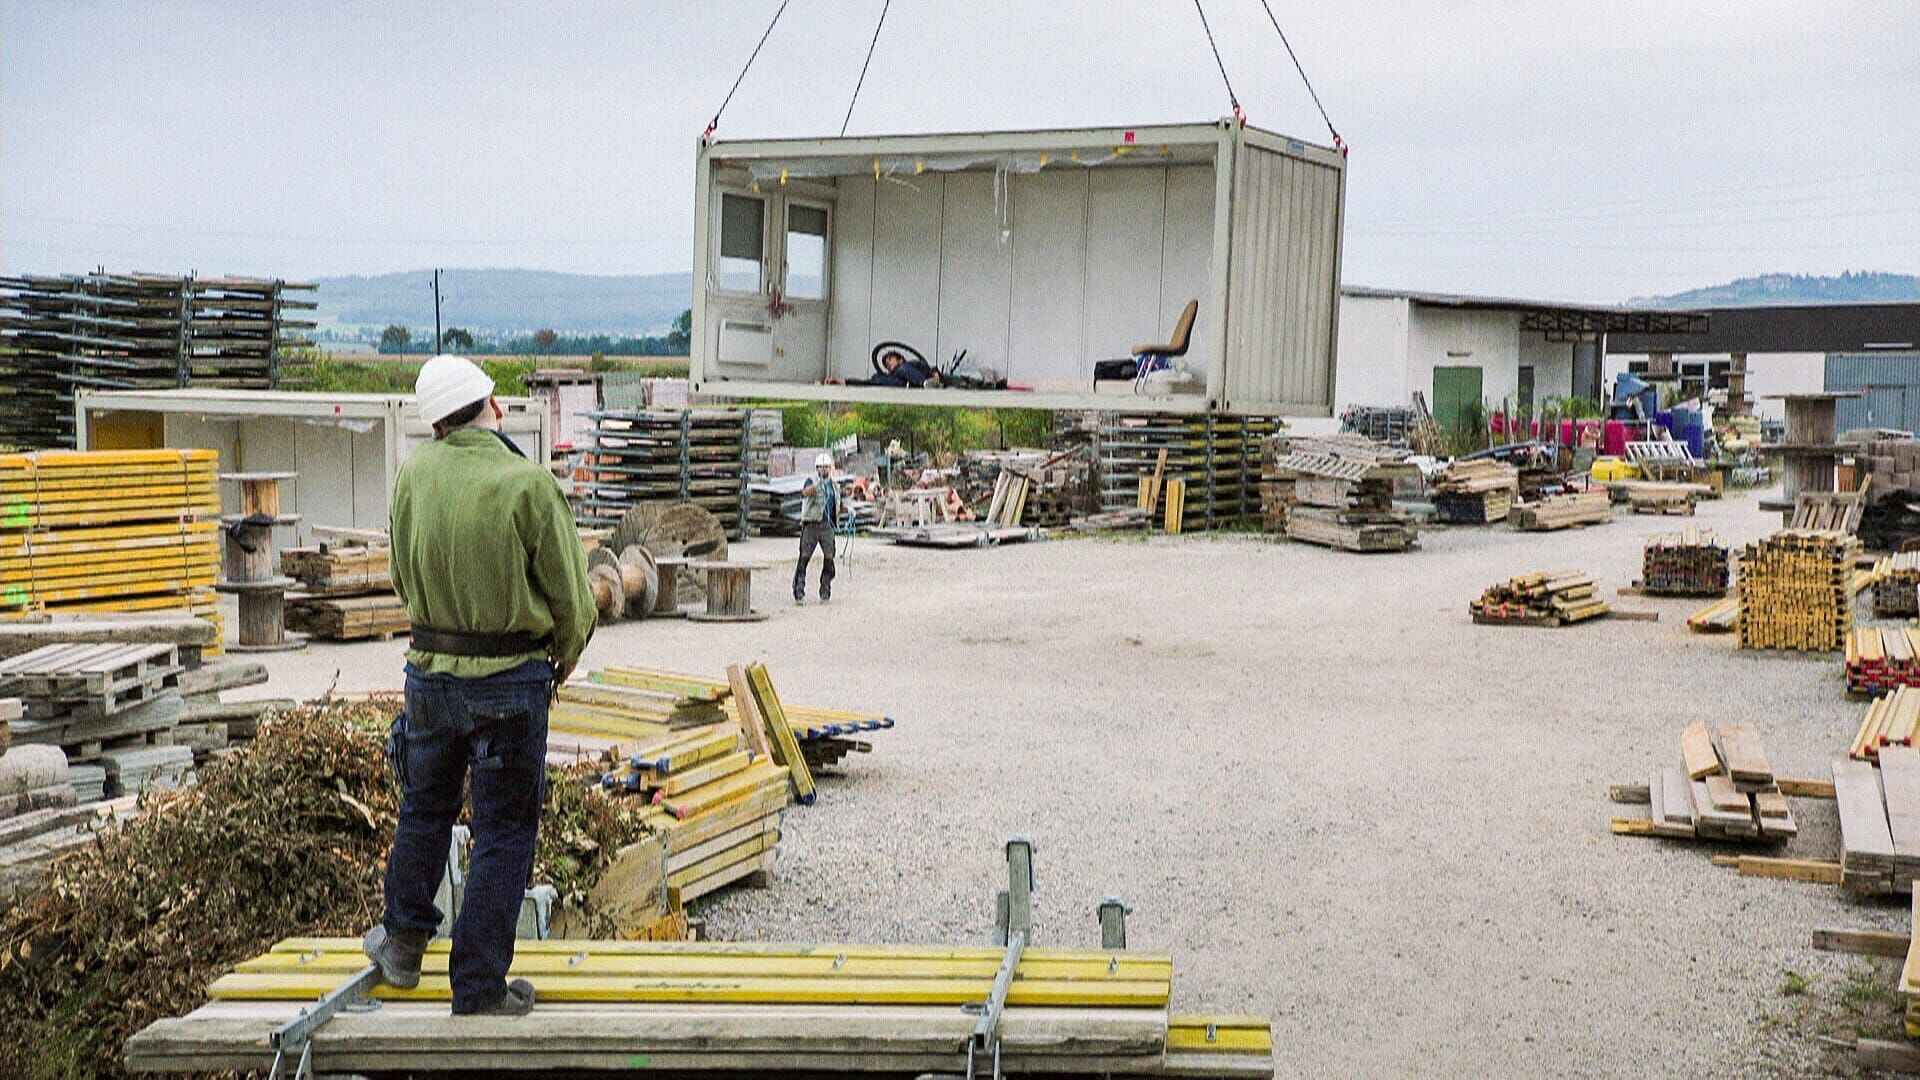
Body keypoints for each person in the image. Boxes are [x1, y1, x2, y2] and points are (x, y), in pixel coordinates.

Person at [362, 354, 596, 1017]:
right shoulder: (525, 484)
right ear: (492, 407)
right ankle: (478, 987)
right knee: (503, 833)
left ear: (434, 421)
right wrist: (565, 655)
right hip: (509, 683)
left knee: (425, 809)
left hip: (430, 676)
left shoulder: (412, 477)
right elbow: (573, 600)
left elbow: (404, 580)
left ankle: (403, 943)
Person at [794, 451, 840, 603]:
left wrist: (847, 511)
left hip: (827, 526)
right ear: (816, 468)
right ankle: (799, 588)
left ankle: (825, 588)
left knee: (829, 558)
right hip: (812, 525)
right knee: (804, 557)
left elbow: (836, 503)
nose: (823, 470)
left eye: (826, 467)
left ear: (830, 468)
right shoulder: (811, 481)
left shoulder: (835, 486)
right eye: (820, 467)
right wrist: (815, 487)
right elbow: (805, 492)